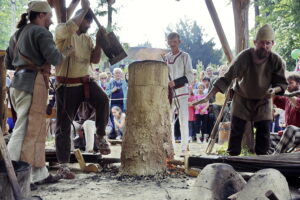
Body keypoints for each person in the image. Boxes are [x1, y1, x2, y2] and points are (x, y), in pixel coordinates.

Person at [194, 24, 288, 156]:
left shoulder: (276, 60)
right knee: (236, 131)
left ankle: (261, 162)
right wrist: (208, 95)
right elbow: (227, 77)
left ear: (273, 43)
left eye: (268, 43)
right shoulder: (244, 56)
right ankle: (232, 159)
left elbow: (282, 83)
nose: (265, 46)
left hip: (264, 101)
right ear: (255, 42)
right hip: (242, 99)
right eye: (262, 43)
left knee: (264, 132)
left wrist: (274, 90)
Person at [4, 1, 67, 189]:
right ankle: (11, 176)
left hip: (18, 85)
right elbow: (56, 59)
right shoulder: (41, 32)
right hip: (32, 84)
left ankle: (39, 174)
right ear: (41, 15)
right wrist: (67, 53)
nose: (52, 20)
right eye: (50, 16)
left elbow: (8, 64)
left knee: (36, 131)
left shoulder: (16, 35)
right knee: (23, 131)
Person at [54, 0, 110, 178]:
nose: (89, 25)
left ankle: (100, 136)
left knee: (103, 100)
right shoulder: (62, 32)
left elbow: (94, 60)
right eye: (87, 21)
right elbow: (74, 21)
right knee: (63, 127)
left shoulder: (87, 38)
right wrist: (85, 7)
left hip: (85, 81)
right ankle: (63, 165)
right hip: (66, 85)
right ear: (80, 19)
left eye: (91, 22)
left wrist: (100, 44)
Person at [164, 32, 194, 153]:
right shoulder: (165, 57)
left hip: (181, 92)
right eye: (170, 42)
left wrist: (175, 82)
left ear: (179, 42)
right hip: (168, 93)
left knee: (183, 119)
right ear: (167, 42)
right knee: (168, 121)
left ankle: (184, 148)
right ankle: (170, 147)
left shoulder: (185, 56)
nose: (172, 44)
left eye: (175, 42)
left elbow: (190, 76)